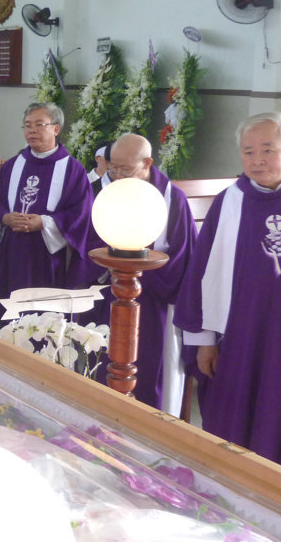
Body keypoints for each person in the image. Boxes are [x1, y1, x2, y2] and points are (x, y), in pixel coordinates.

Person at [175, 111, 281, 470]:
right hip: (240, 338)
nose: (257, 160)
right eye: (248, 151)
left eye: (267, 149)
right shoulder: (230, 201)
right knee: (231, 426)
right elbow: (202, 274)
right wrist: (203, 341)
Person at [84, 134, 197, 412]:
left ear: (147, 163)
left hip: (156, 304)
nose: (117, 175)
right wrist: (112, 271)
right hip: (109, 296)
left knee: (148, 374)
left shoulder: (173, 200)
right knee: (104, 370)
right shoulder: (106, 194)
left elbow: (182, 258)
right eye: (113, 167)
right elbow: (89, 242)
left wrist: (134, 273)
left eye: (125, 169)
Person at [0, 102, 94, 324]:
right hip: (14, 256)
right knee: (9, 321)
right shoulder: (12, 166)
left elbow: (82, 214)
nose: (32, 131)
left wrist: (44, 222)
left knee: (45, 323)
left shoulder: (73, 170)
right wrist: (5, 217)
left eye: (39, 125)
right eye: (27, 125)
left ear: (55, 128)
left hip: (49, 260)